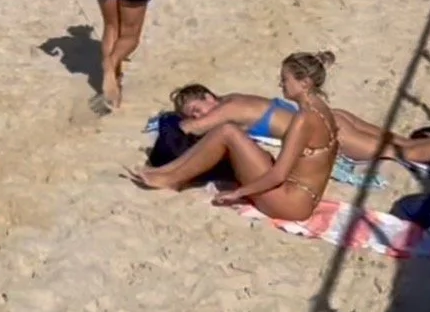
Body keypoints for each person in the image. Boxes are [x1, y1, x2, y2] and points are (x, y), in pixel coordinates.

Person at [129, 54, 338, 223]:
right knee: (234, 135)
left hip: (289, 203)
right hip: (304, 199)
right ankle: (166, 172)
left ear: (305, 83)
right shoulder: (322, 110)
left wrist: (238, 193)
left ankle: (170, 177)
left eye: (285, 80)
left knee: (227, 132)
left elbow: (278, 175)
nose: (281, 84)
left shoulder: (303, 119)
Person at [168, 78, 430, 164]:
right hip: (332, 117)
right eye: (193, 113)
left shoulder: (229, 108)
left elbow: (187, 129)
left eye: (197, 108)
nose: (199, 116)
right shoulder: (235, 98)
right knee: (402, 143)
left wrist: (176, 123)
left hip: (327, 131)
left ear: (209, 96)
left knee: (404, 153)